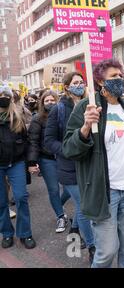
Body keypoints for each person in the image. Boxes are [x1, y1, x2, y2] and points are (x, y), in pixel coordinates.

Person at [62, 59, 124, 268]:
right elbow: (69, 148)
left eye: (120, 75)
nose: (119, 79)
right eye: (113, 76)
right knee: (106, 252)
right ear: (100, 82)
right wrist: (85, 127)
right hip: (105, 192)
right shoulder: (87, 107)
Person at [45, 72, 95, 262]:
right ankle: (92, 247)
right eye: (75, 83)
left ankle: (75, 227)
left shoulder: (90, 104)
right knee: (84, 207)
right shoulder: (58, 110)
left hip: (89, 165)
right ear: (66, 87)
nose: (80, 85)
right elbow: (49, 141)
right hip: (69, 168)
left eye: (82, 82)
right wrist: (68, 149)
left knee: (87, 205)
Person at [27, 90, 71, 233]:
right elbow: (33, 141)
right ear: (42, 103)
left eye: (53, 100)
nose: (50, 103)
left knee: (70, 188)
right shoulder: (37, 119)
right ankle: (60, 216)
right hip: (47, 159)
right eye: (47, 101)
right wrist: (32, 162)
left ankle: (58, 204)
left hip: (64, 156)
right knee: (53, 189)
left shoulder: (64, 115)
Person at [0, 85, 36, 249]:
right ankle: (7, 233)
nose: (3, 97)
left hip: (16, 162)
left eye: (5, 95)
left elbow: (27, 142)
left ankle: (25, 233)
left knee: (21, 197)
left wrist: (30, 162)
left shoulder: (17, 117)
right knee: (1, 202)